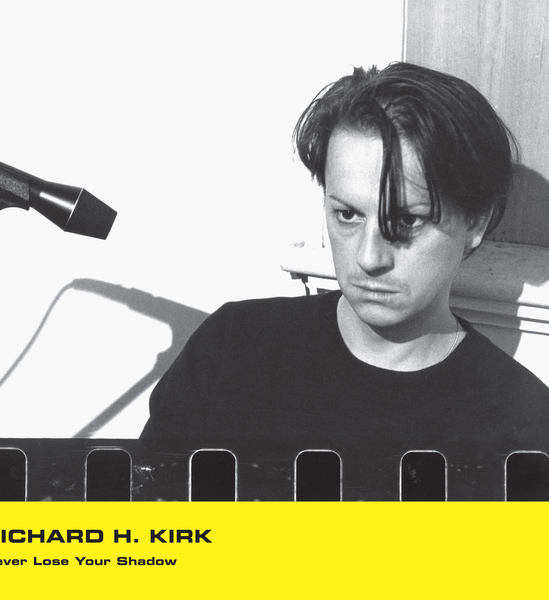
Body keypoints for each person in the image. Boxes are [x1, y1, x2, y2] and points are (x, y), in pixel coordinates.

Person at [140, 63, 549, 500]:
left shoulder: (523, 425)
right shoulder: (232, 345)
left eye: (407, 220)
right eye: (347, 214)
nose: (368, 258)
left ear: (476, 223)